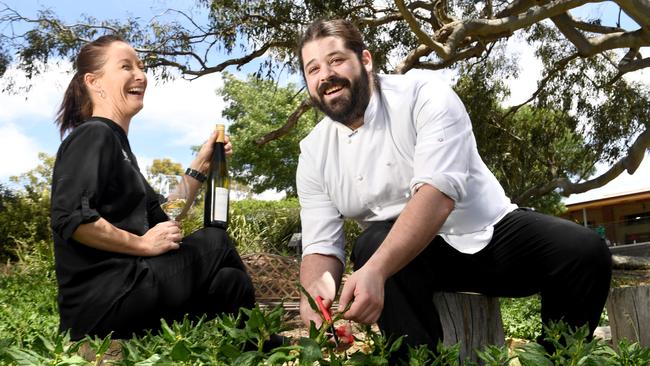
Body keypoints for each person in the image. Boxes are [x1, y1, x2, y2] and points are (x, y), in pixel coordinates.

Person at [295, 19, 612, 355]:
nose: (325, 75)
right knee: (374, 243)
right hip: (411, 262)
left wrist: (374, 271)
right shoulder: (314, 152)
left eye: (336, 60)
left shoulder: (423, 94)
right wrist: (314, 303)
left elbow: (437, 195)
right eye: (312, 69)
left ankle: (557, 359)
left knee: (584, 251)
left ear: (366, 60)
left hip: (490, 234)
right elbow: (321, 245)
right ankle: (417, 363)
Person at [50, 35, 255, 340]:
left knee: (229, 281)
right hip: (104, 302)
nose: (140, 75)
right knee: (215, 240)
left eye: (141, 67)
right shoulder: (94, 134)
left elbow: (166, 215)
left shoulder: (120, 148)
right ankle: (257, 336)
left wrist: (200, 164)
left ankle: (246, 345)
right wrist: (143, 245)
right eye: (125, 66)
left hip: (128, 295)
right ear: (95, 82)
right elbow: (72, 218)